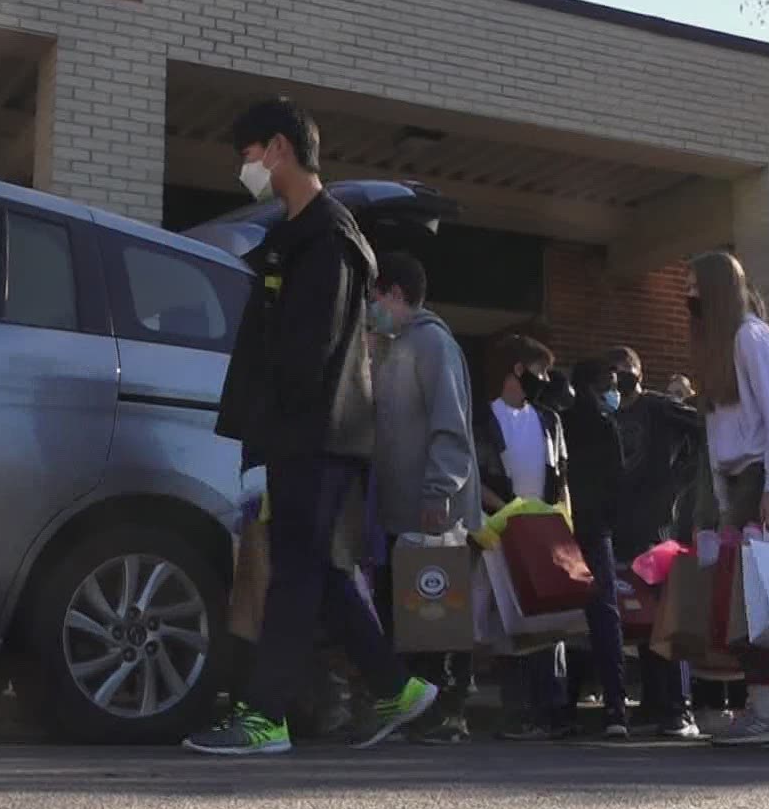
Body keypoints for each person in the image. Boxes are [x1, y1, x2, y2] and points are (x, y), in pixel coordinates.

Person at [183, 97, 437, 756]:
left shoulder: (327, 238)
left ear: (277, 150)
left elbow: (307, 352)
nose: (245, 172)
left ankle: (266, 717)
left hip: (314, 434)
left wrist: (268, 439)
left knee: (295, 571)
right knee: (313, 568)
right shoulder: (302, 236)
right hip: (307, 432)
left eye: (247, 158)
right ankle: (395, 688)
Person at [683, 251, 769, 751]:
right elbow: (716, 431)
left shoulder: (750, 337)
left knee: (761, 599)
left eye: (694, 283)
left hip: (761, 476)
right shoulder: (723, 344)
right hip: (740, 479)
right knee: (753, 600)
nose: (689, 292)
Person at [364, 251, 478, 745]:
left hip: (433, 511)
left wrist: (439, 489)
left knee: (433, 615)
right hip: (400, 512)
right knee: (408, 615)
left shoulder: (432, 343)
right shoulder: (395, 345)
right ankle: (415, 712)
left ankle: (441, 714)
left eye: (374, 295)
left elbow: (450, 425)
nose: (370, 304)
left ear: (395, 293)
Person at [473, 333, 570, 740]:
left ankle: (552, 710)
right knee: (506, 619)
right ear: (518, 370)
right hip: (501, 528)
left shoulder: (550, 420)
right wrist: (506, 509)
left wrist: (565, 523)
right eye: (540, 371)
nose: (545, 379)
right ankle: (516, 711)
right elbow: (474, 475)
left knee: (549, 620)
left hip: (545, 532)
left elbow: (563, 475)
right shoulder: (483, 418)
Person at [605, 346, 702, 739]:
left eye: (626, 369)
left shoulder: (659, 407)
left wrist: (676, 482)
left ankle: (678, 708)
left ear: (639, 371)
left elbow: (701, 431)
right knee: (638, 619)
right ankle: (651, 703)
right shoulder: (611, 415)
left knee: (666, 618)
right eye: (614, 371)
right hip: (622, 528)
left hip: (657, 529)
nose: (619, 376)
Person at [554, 359, 631, 738]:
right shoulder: (605, 426)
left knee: (566, 617)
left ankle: (563, 706)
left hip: (565, 529)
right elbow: (619, 481)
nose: (613, 393)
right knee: (604, 618)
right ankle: (615, 707)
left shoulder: (561, 423)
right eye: (608, 385)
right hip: (596, 530)